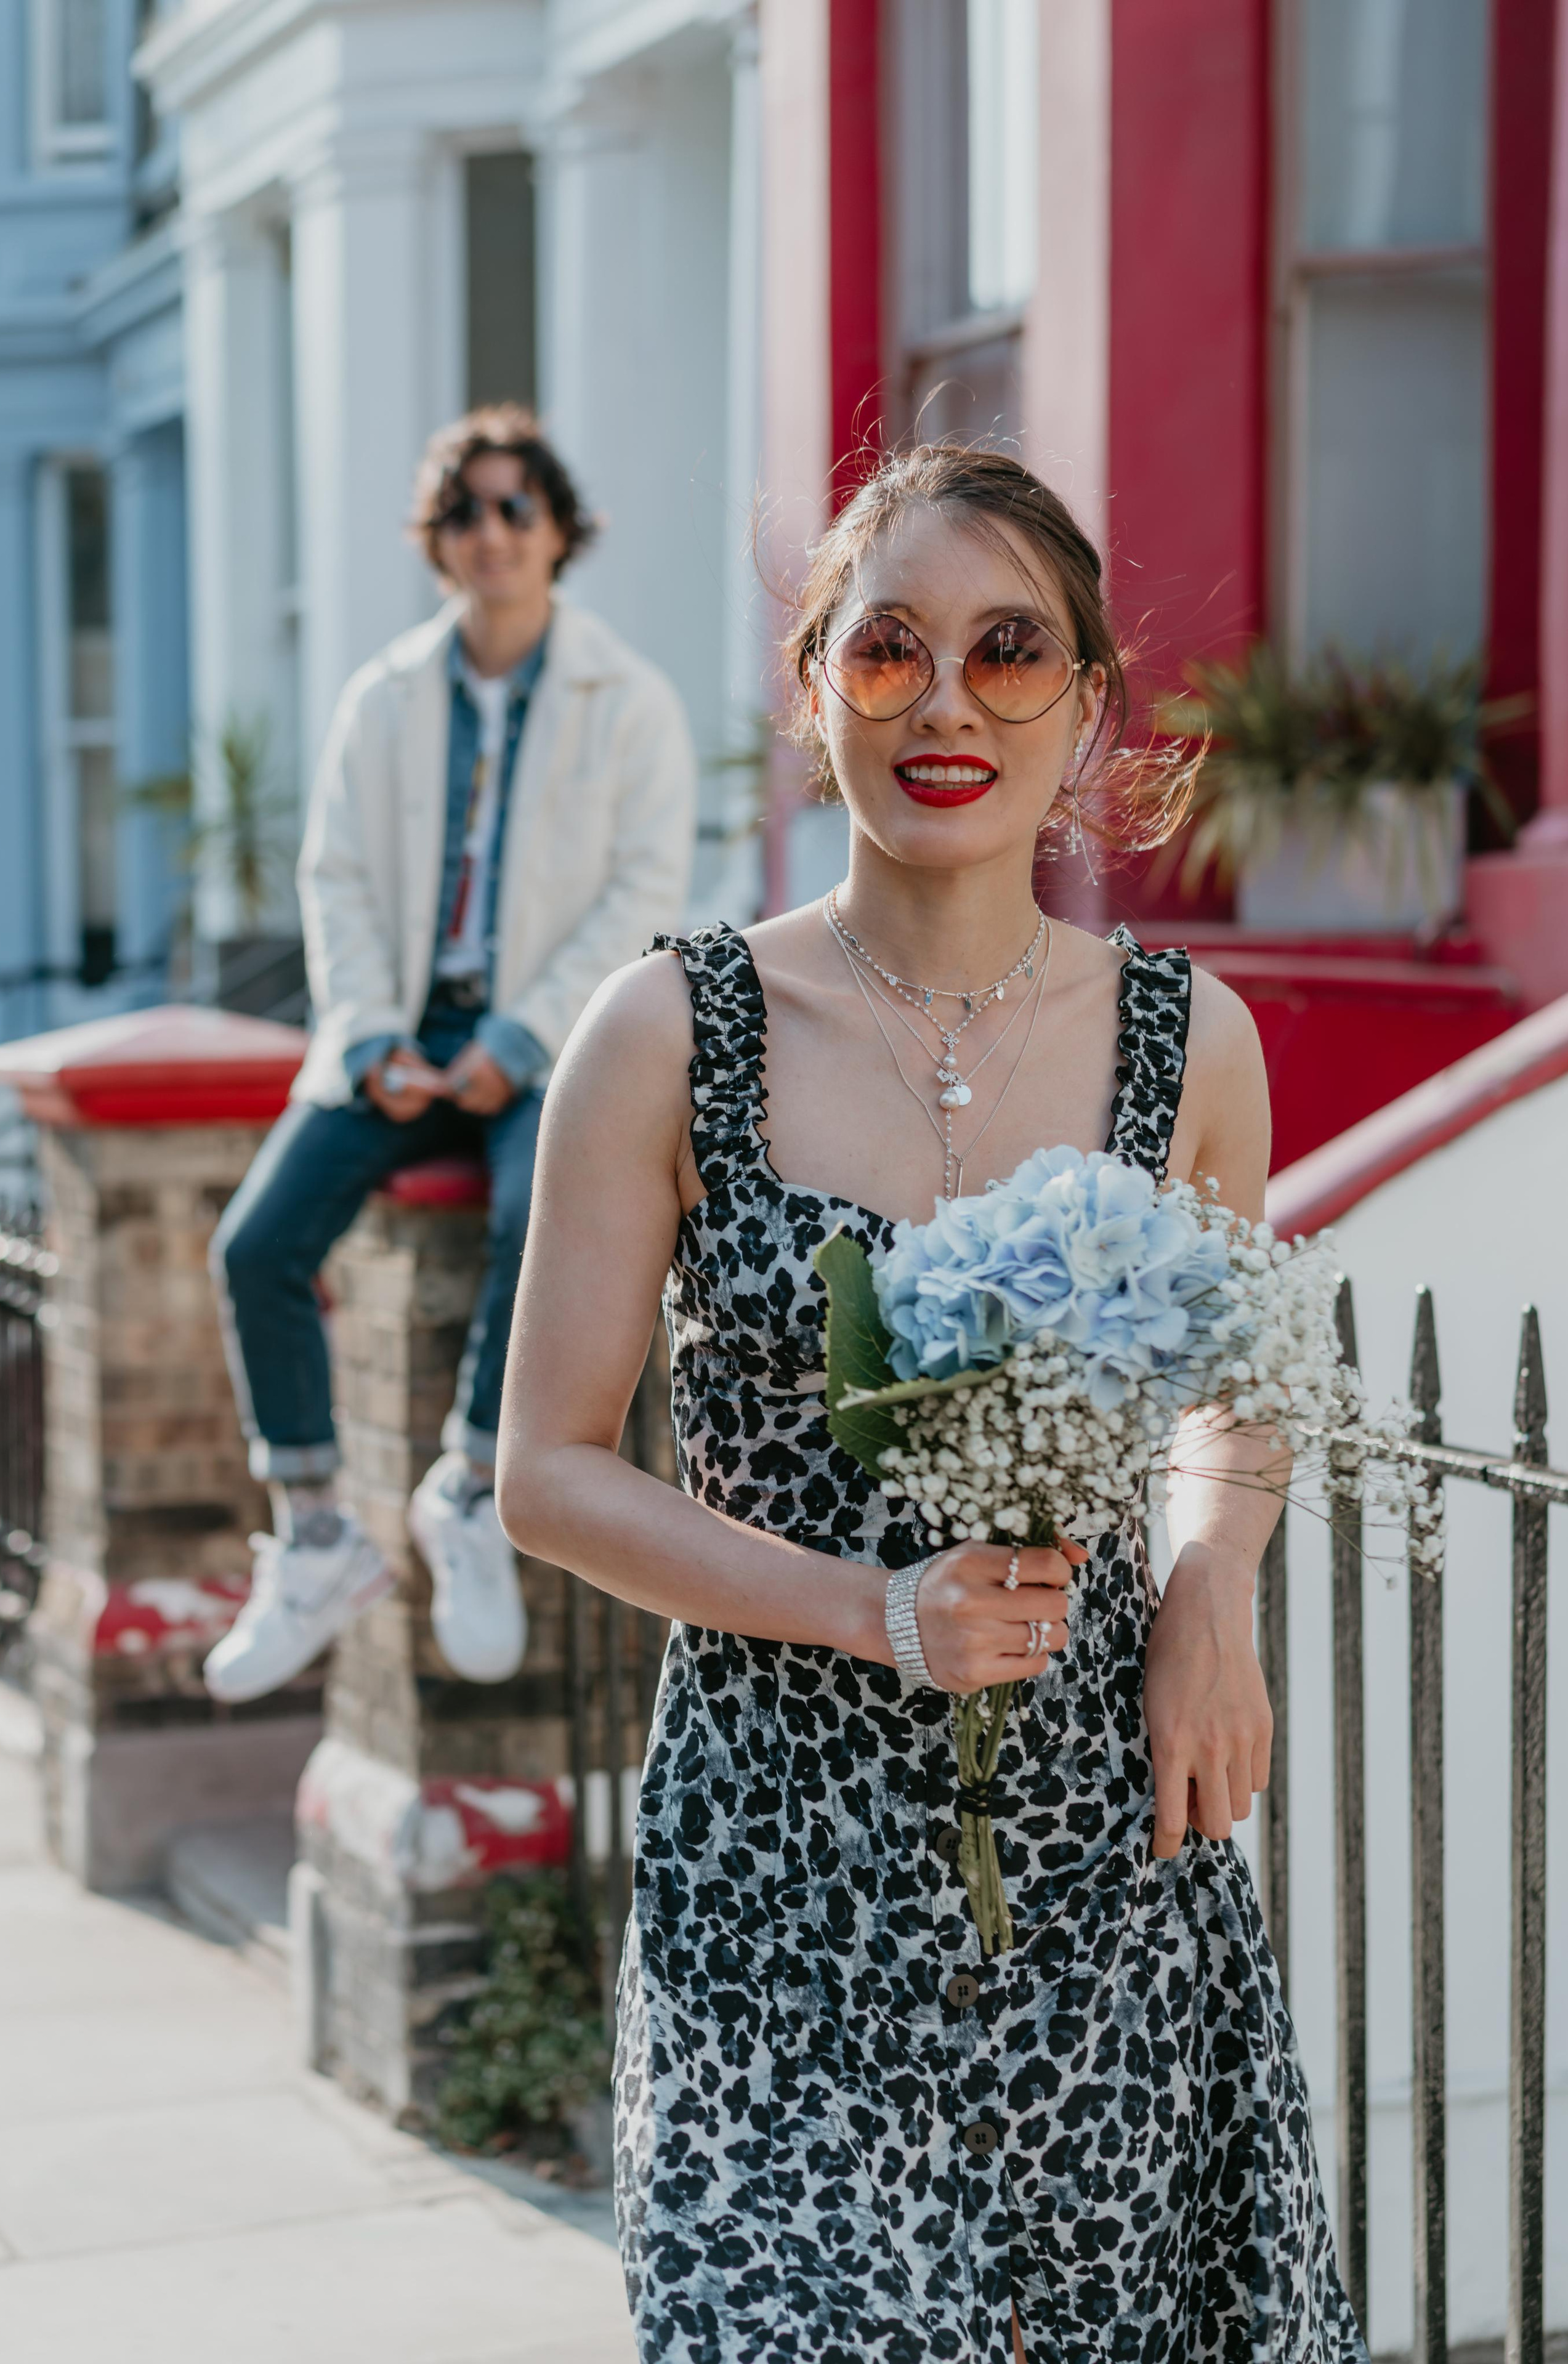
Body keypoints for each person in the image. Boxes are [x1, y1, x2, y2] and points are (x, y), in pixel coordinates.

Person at [497, 445, 1367, 2360]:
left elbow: (1243, 1388)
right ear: (817, 693)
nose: (949, 703)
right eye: (887, 654)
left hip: (1097, 1875)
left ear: (1086, 706)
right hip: (776, 1887)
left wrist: (1212, 1588)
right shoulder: (667, 1032)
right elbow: (546, 1475)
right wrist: (866, 1607)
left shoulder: (1184, 1041)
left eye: (1007, 651)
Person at [203, 406, 697, 1705]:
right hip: (389, 1046)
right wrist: (368, 1035)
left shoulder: (627, 702)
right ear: (440, 540)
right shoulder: (383, 698)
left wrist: (517, 1037)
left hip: (542, 1047)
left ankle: (470, 1487)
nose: (490, 533)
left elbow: (640, 892)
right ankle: (312, 1530)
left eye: (513, 508)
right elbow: (339, 881)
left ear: (556, 531)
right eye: (464, 511)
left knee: (538, 1214)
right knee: (254, 1246)